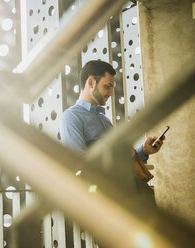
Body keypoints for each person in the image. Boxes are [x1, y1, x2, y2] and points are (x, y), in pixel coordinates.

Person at [59, 59, 164, 206]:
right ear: (91, 82)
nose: (111, 93)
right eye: (107, 86)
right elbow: (78, 163)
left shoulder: (105, 120)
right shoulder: (71, 117)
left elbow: (122, 161)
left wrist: (144, 151)